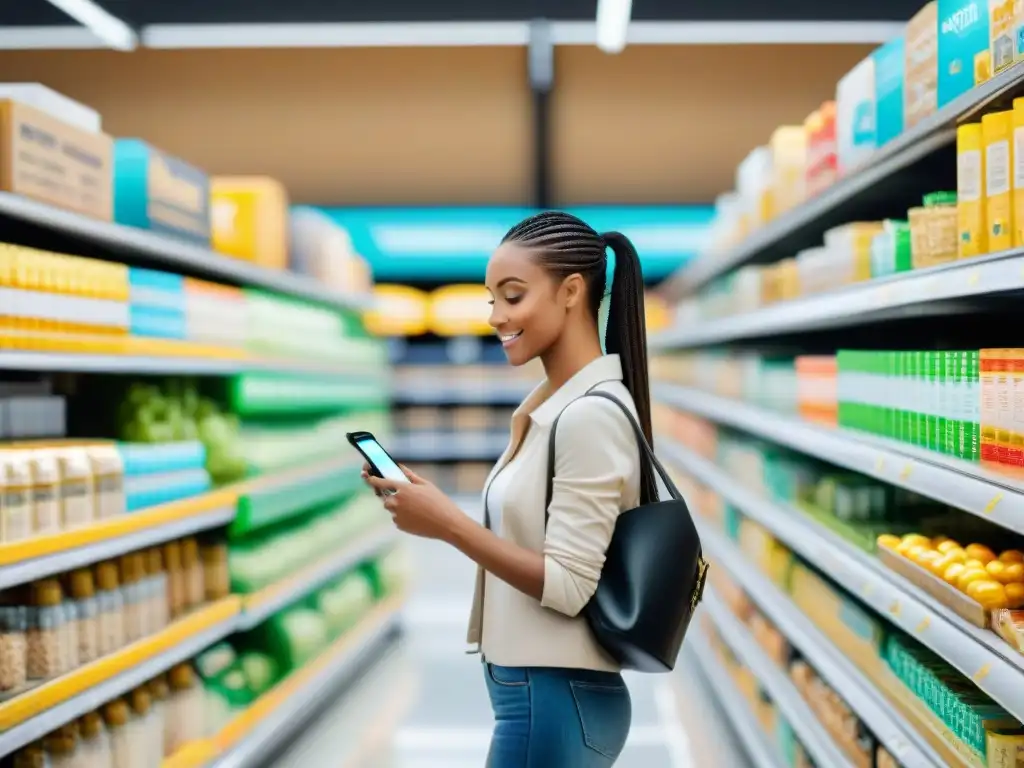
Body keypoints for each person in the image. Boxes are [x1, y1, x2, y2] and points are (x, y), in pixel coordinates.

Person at [361, 210, 656, 767]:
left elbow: (569, 584)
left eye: (513, 296)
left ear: (572, 292)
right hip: (542, 695)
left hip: (554, 697)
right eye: (490, 299)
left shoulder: (589, 417)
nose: (496, 317)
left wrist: (447, 523)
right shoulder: (556, 405)